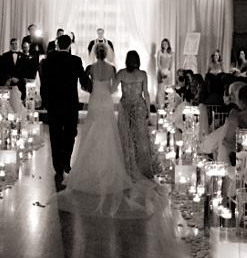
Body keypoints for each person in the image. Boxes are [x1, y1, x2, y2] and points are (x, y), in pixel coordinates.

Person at [54, 46, 165, 218]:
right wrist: (148, 111)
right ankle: (136, 167)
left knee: (93, 132)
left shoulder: (96, 69)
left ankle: (93, 166)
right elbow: (117, 89)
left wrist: (97, 88)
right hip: (109, 103)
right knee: (121, 136)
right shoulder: (115, 70)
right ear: (106, 53)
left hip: (96, 102)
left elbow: (99, 87)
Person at [39, 34, 88, 188]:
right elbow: (84, 82)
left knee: (55, 133)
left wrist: (46, 102)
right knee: (70, 132)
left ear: (57, 44)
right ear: (69, 46)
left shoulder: (47, 61)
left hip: (53, 104)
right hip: (70, 103)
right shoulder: (76, 60)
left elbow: (44, 84)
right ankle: (66, 161)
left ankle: (57, 166)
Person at [113, 50, 157, 180]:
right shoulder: (142, 74)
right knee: (140, 137)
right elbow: (146, 94)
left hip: (125, 106)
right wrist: (149, 111)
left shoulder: (121, 73)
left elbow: (112, 88)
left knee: (126, 137)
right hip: (139, 107)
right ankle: (142, 168)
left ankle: (127, 168)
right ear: (138, 61)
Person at [156, 38, 173, 107]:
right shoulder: (159, 52)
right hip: (161, 71)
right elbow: (158, 63)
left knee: (168, 89)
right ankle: (160, 105)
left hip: (168, 73)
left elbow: (171, 64)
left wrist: (169, 72)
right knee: (160, 89)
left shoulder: (171, 53)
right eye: (163, 44)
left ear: (168, 44)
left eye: (165, 44)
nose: (164, 45)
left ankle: (168, 105)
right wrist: (161, 72)